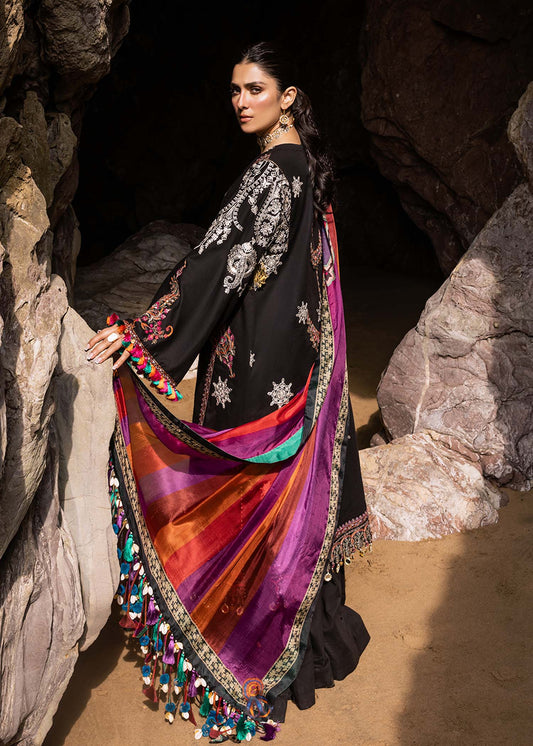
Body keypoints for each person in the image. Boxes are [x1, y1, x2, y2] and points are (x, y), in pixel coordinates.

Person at [86, 40, 372, 742]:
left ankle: (253, 640)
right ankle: (300, 632)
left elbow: (220, 261)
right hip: (290, 355)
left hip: (258, 361)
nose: (241, 102)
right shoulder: (305, 167)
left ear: (288, 96)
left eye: (255, 89)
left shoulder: (276, 170)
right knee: (279, 492)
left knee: (251, 486)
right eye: (235, 90)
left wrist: (146, 332)